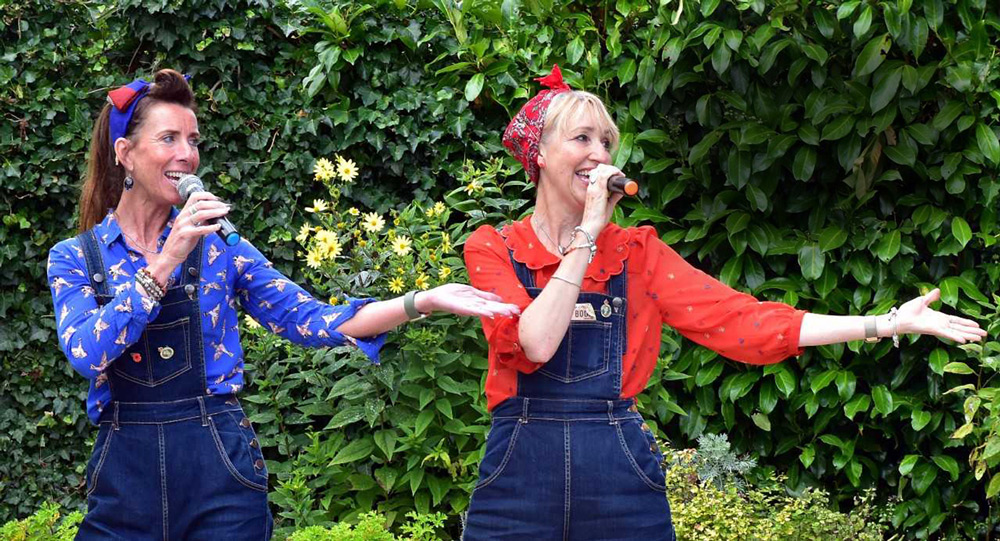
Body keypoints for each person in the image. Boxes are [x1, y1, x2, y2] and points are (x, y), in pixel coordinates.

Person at [460, 65, 987, 540]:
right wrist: (589, 235)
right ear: (542, 154)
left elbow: (742, 321)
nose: (600, 155)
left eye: (606, 141)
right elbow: (536, 340)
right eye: (583, 138)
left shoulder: (637, 253)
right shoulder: (494, 248)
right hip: (518, 478)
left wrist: (886, 323)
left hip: (617, 475)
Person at [47, 69, 519, 540]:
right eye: (168, 138)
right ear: (125, 154)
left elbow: (309, 319)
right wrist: (168, 258)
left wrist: (420, 301)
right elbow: (88, 352)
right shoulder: (74, 258)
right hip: (125, 480)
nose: (187, 155)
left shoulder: (220, 247)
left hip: (221, 474)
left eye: (193, 140)